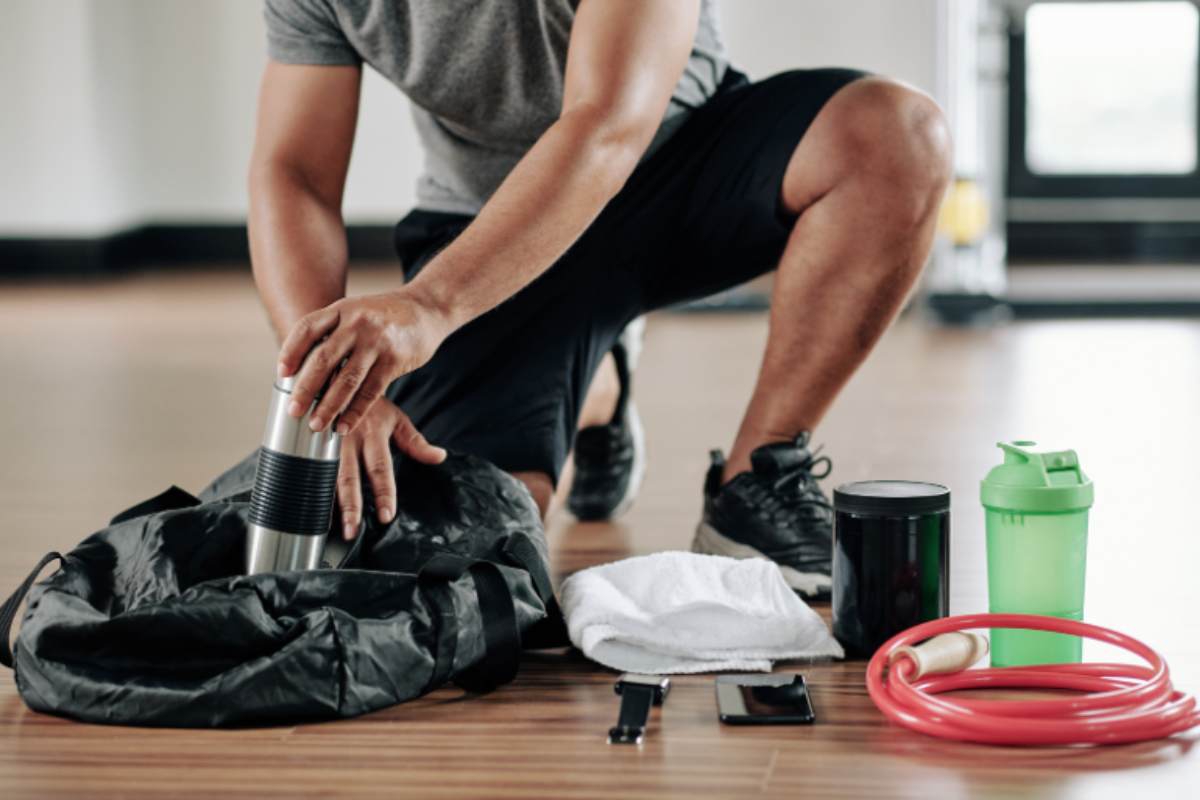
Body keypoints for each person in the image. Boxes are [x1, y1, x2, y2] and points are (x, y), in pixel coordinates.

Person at [249, 0, 952, 599]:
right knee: (477, 542)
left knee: (897, 137)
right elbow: (295, 174)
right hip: (490, 231)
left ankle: (755, 478)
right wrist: (331, 385)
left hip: (676, 169)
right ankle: (601, 388)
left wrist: (431, 305)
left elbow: (607, 122)